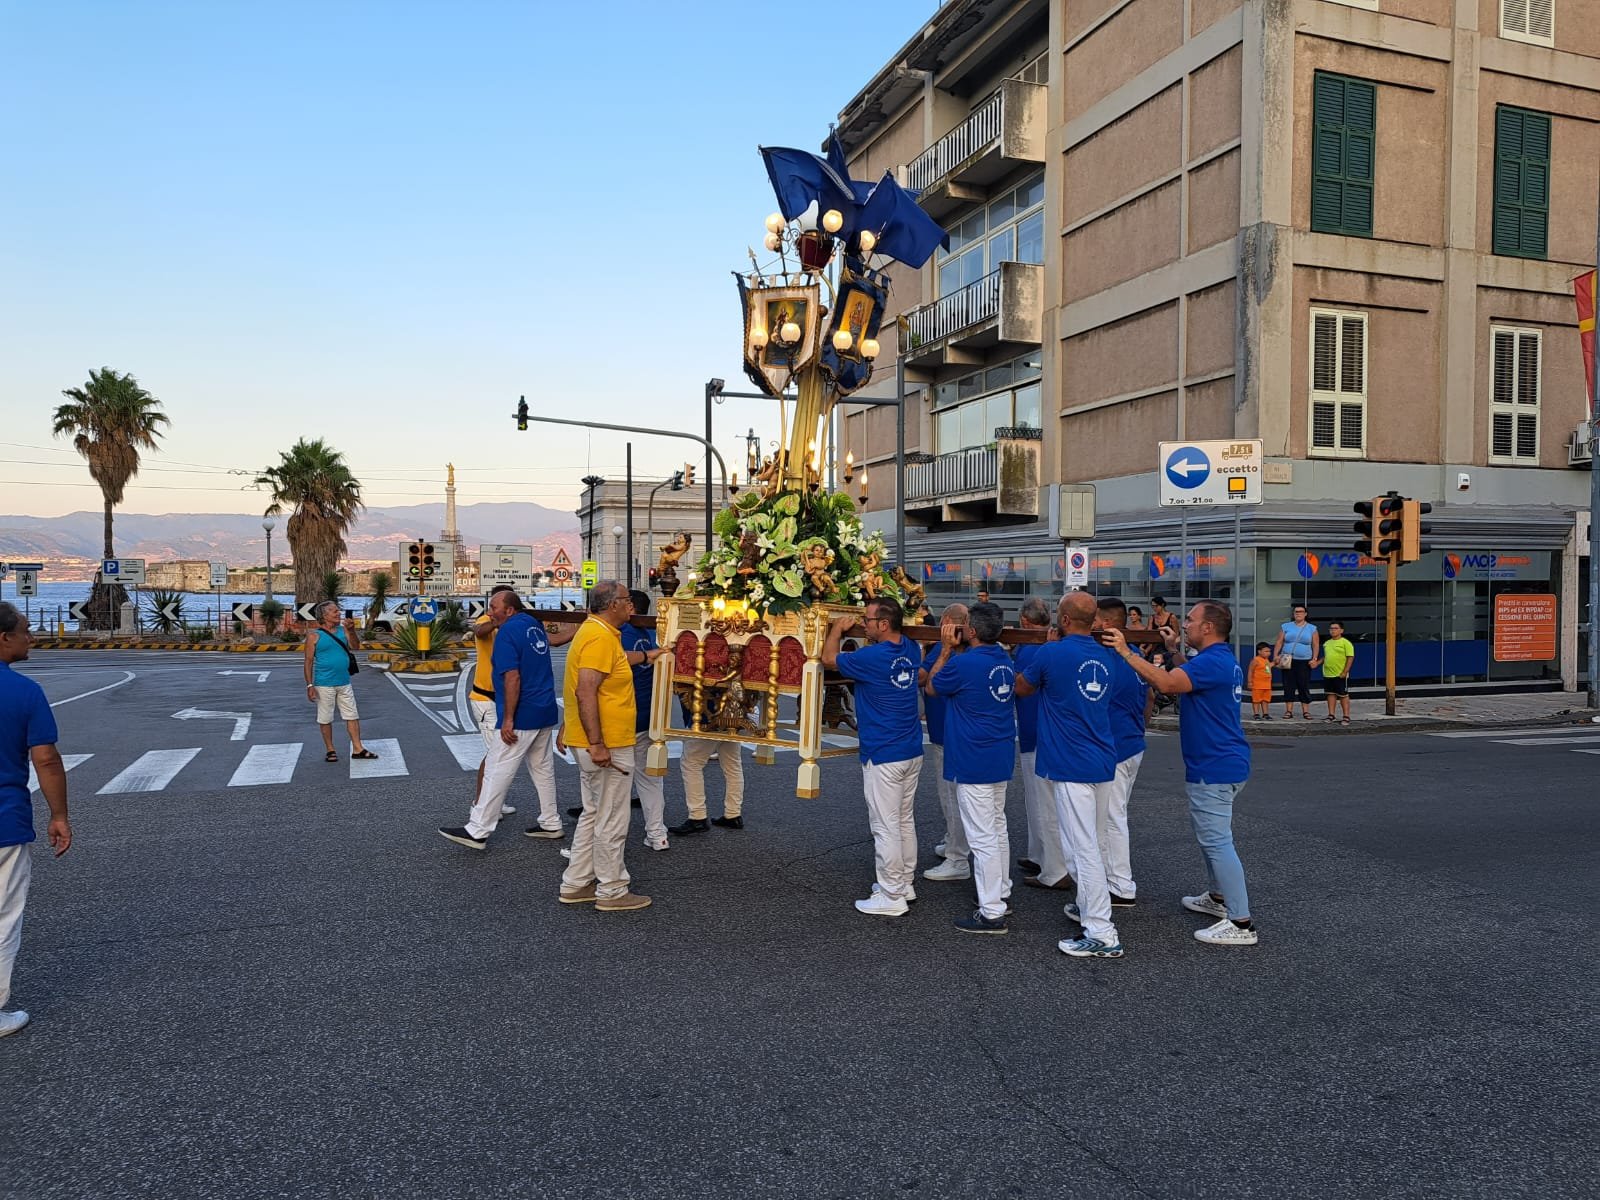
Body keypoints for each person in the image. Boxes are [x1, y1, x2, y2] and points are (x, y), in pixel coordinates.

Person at [1101, 601, 1258, 947]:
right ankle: (1217, 898)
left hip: (1214, 766)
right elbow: (1186, 674)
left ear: (1208, 628)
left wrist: (1127, 652)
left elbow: (1169, 684)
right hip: (1225, 761)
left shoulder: (1212, 662)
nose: (1184, 624)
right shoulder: (1219, 660)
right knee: (1213, 838)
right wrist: (1172, 650)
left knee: (1217, 841)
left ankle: (1241, 921)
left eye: (1190, 620)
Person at [1014, 592, 1123, 959]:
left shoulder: (1051, 652)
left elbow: (1022, 687)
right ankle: (1091, 905)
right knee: (1097, 840)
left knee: (1081, 849)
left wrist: (1046, 651)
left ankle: (1101, 930)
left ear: (1062, 619)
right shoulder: (1107, 654)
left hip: (1070, 763)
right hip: (1102, 758)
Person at [438, 589, 570, 850]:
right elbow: (553, 641)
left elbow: (512, 677)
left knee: (498, 767)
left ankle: (478, 829)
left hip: (522, 713)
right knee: (542, 768)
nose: (489, 612)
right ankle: (551, 822)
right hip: (544, 708)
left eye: (494, 607)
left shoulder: (508, 632)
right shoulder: (531, 624)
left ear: (509, 610)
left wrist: (508, 718)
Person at [823, 597, 923, 917]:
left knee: (885, 826)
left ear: (883, 624)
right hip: (910, 748)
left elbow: (828, 660)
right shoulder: (909, 647)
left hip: (883, 751)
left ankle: (892, 895)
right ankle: (904, 883)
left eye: (867, 620)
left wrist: (837, 630)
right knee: (903, 821)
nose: (862, 625)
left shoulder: (872, 656)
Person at [0, 602, 73, 1038]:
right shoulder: (25, 692)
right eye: (25, 630)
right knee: (3, 915)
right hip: (5, 824)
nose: (32, 637)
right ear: (4, 638)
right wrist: (59, 815)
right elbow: (45, 759)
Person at [558, 580, 652, 911]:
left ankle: (576, 882)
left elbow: (609, 666)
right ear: (612, 605)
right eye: (627, 601)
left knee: (593, 812)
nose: (632, 606)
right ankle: (612, 890)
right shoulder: (599, 636)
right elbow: (586, 690)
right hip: (606, 745)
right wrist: (597, 743)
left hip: (592, 741)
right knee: (612, 817)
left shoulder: (596, 632)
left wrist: (648, 655)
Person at [926, 603, 1015, 934]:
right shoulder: (1005, 660)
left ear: (971, 631)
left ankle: (991, 910)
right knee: (997, 828)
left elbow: (933, 686)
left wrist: (946, 649)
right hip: (999, 753)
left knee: (982, 837)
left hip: (972, 757)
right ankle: (1001, 892)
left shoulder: (963, 664)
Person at [1093, 596, 1148, 907]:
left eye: (1095, 620)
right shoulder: (1135, 654)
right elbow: (1149, 698)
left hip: (1116, 746)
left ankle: (1120, 885)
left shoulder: (1109, 657)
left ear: (1108, 624)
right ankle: (1114, 879)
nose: (1091, 624)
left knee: (1112, 818)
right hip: (1132, 741)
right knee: (1114, 815)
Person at [1013, 597, 1066, 888]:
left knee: (1043, 803)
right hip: (1042, 730)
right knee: (1036, 801)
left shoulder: (1032, 649)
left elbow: (1020, 686)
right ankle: (1038, 853)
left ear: (1024, 621)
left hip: (1037, 730)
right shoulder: (1047, 645)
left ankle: (1053, 868)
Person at [920, 603, 970, 883]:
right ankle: (953, 840)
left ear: (949, 622)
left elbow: (928, 680)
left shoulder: (950, 650)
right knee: (953, 795)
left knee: (952, 796)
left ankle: (957, 856)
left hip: (950, 734)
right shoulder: (952, 648)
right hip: (949, 731)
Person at [619, 590, 671, 849]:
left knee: (614, 782)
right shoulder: (652, 634)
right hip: (651, 713)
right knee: (650, 778)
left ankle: (605, 843)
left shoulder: (620, 635)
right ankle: (657, 834)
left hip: (625, 714)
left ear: (629, 608)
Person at [304, 600, 375, 763]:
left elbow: (356, 647)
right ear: (324, 615)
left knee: (352, 715)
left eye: (338, 610)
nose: (338, 613)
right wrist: (309, 685)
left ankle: (358, 748)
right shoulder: (314, 635)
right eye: (334, 611)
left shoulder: (344, 631)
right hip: (323, 683)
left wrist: (352, 630)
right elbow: (308, 662)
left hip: (344, 681)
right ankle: (330, 749)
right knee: (325, 718)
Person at [1273, 604, 1320, 720]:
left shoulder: (1312, 628)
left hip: (1304, 661)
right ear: (1293, 614)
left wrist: (1314, 659)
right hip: (1288, 659)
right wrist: (1275, 655)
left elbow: (1315, 644)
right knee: (1288, 685)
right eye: (1296, 612)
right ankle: (1289, 710)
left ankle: (1306, 711)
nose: (1298, 613)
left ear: (1305, 614)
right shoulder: (1286, 626)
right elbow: (1279, 641)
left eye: (1300, 611)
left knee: (1303, 685)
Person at [1322, 620, 1355, 725]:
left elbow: (1350, 657)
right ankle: (1331, 715)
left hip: (1340, 674)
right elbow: (1325, 657)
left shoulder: (1346, 643)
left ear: (1341, 630)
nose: (1333, 630)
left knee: (1343, 695)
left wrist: (1345, 671)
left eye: (1335, 628)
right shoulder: (1327, 643)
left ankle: (1346, 716)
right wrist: (1317, 663)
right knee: (1330, 694)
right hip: (1328, 673)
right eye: (1331, 628)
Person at [1248, 642, 1275, 720]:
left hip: (1267, 684)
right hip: (1257, 684)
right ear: (1259, 651)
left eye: (1269, 651)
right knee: (1256, 700)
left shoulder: (1266, 660)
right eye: (1266, 651)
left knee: (1266, 700)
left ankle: (1265, 713)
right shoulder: (1256, 660)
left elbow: (1269, 666)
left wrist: (1277, 662)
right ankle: (1256, 713)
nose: (1268, 653)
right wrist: (1250, 681)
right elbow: (1250, 671)